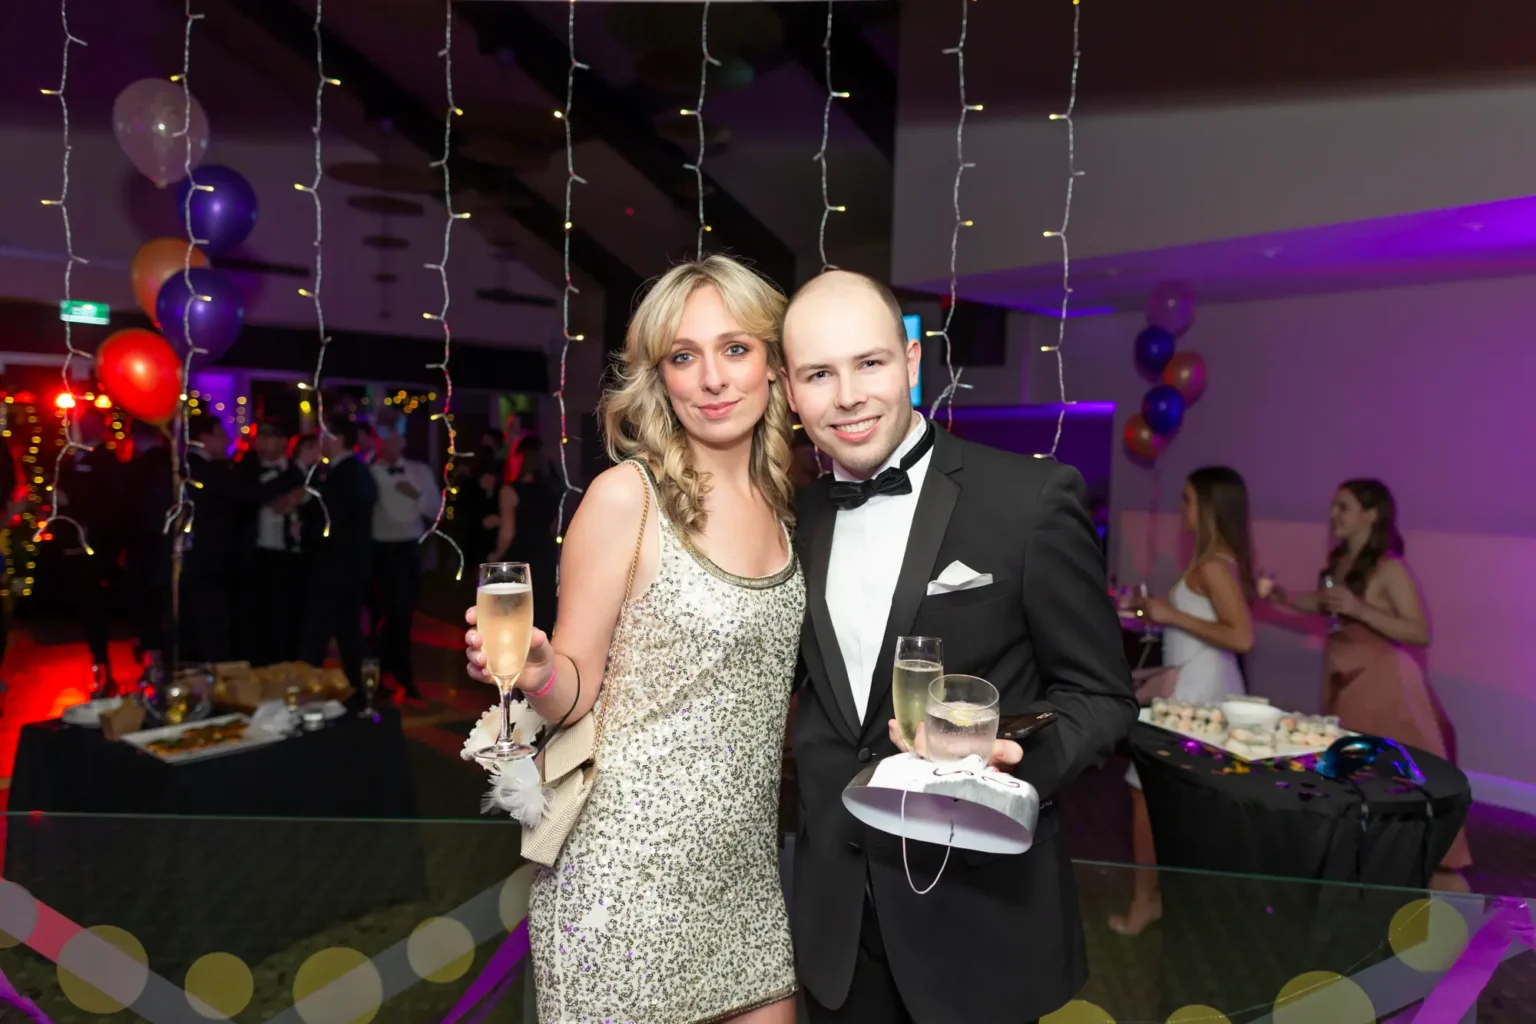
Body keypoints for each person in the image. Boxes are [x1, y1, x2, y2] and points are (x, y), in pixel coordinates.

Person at [782, 271, 1135, 1024]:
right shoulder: (795, 519)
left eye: (869, 363)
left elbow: (1102, 697)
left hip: (979, 920)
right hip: (835, 929)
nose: (847, 396)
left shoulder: (1028, 502)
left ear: (913, 360)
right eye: (819, 373)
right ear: (789, 390)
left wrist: (1010, 762)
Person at [465, 256, 801, 1023]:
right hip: (624, 880)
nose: (712, 377)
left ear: (775, 367)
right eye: (685, 356)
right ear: (662, 378)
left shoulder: (785, 505)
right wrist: (542, 666)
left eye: (736, 348)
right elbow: (573, 689)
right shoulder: (628, 498)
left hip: (743, 875)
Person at [1261, 479, 1471, 883]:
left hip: (1386, 688)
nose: (1333, 514)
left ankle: (1442, 898)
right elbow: (1321, 603)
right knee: (1355, 789)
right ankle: (1372, 879)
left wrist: (1361, 608)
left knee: (1404, 791)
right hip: (1349, 687)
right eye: (1333, 506)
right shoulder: (1340, 563)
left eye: (1343, 506)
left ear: (1371, 515)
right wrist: (1281, 597)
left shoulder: (1390, 567)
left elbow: (1419, 631)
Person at [1109, 465, 1256, 937]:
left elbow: (1241, 636)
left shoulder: (1214, 565)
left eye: (1189, 500)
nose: (1182, 509)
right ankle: (1172, 900)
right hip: (1193, 685)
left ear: (1209, 507)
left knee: (1145, 793)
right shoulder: (1213, 561)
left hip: (1202, 692)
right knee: (1174, 799)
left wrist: (1169, 612)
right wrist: (1153, 615)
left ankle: (1147, 903)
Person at [299, 416, 377, 693]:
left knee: (326, 631)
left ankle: (324, 688)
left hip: (336, 567)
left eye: (325, 436)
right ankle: (353, 688)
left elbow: (333, 522)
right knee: (344, 631)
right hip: (347, 567)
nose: (321, 443)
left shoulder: (346, 474)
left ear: (339, 439)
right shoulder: (353, 471)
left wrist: (304, 531)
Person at [368, 409, 437, 702]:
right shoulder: (368, 472)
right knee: (384, 616)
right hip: (380, 551)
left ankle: (398, 673)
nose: (392, 443)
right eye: (386, 437)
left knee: (404, 614)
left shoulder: (420, 471)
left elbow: (434, 511)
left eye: (396, 437)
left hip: (410, 549)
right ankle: (383, 673)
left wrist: (415, 495)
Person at [56, 407, 124, 688]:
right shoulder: (72, 458)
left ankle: (103, 661)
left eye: (91, 423)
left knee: (96, 603)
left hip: (96, 545)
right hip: (76, 541)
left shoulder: (107, 460)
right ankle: (98, 658)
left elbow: (108, 504)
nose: (85, 428)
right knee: (87, 604)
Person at [231, 421, 307, 665]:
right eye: (259, 438)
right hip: (255, 555)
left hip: (289, 555)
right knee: (255, 620)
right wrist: (283, 492)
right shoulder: (248, 467)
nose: (261, 444)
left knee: (286, 619)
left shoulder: (298, 471)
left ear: (284, 442)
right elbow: (250, 496)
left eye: (268, 438)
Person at [486, 435, 558, 635]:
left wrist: (496, 556)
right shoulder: (551, 490)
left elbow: (507, 533)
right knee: (542, 614)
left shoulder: (509, 491)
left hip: (519, 557)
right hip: (544, 554)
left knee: (514, 617)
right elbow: (551, 524)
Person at [125, 419, 175, 663]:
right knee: (168, 609)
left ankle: (155, 661)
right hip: (168, 550)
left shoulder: (133, 470)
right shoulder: (173, 466)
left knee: (148, 612)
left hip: (142, 552)